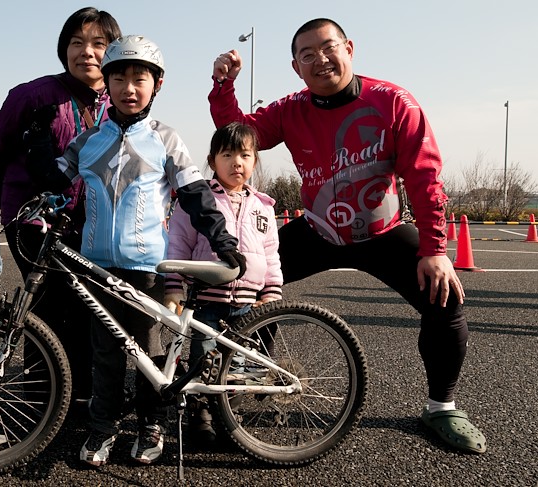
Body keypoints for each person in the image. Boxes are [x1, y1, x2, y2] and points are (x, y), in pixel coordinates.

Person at [208, 18, 486, 454]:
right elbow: (238, 137)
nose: (320, 60)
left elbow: (425, 177)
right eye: (307, 55)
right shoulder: (290, 109)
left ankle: (441, 406)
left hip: (384, 232)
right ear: (296, 67)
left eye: (328, 48)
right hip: (318, 229)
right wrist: (224, 86)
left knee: (446, 302)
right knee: (244, 280)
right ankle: (240, 383)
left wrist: (435, 249)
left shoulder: (394, 101)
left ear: (349, 48)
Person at [26, 35, 246, 467]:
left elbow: (197, 196)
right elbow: (54, 178)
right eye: (120, 77)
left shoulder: (166, 138)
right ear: (106, 84)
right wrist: (36, 142)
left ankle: (153, 422)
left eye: (139, 78)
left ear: (156, 85)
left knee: (148, 353)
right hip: (96, 266)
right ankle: (103, 427)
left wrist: (223, 242)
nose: (129, 87)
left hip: (147, 269)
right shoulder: (88, 140)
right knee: (105, 354)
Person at [0, 7, 121, 402]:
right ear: (64, 49)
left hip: (89, 220)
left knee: (85, 302)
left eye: (99, 44)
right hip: (33, 215)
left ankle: (76, 391)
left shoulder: (118, 101)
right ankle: (40, 395)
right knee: (47, 300)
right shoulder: (33, 95)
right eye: (77, 43)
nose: (87, 52)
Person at [163, 122, 282, 443]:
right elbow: (178, 243)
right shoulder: (198, 202)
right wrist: (173, 284)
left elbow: (271, 254)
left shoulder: (263, 207)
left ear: (255, 161)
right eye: (227, 154)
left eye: (245, 155)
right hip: (207, 299)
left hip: (247, 304)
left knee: (237, 365)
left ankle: (231, 417)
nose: (236, 163)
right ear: (212, 160)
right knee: (204, 360)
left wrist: (271, 291)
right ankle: (200, 414)